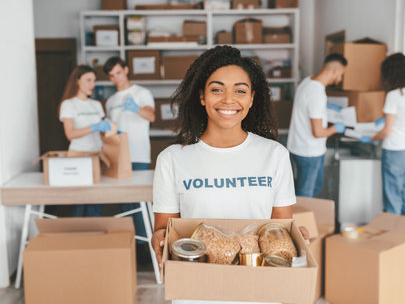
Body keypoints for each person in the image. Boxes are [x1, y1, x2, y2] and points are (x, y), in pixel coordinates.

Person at [151, 46, 309, 304]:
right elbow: (165, 229)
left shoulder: (275, 155)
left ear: (251, 98)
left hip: (259, 292)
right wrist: (159, 238)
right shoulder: (172, 159)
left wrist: (295, 239)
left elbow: (278, 228)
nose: (228, 99)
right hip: (197, 292)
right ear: (202, 96)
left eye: (240, 90)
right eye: (216, 89)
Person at [103, 57, 156, 261]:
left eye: (118, 72)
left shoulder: (142, 93)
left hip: (138, 154)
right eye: (111, 75)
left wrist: (136, 108)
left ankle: (145, 248)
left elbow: (151, 116)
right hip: (118, 157)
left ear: (126, 70)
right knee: (124, 202)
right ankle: (130, 244)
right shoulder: (111, 101)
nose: (115, 78)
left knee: (140, 201)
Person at [360, 53, 405, 215]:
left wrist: (369, 138)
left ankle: (393, 236)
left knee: (392, 196)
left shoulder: (393, 95)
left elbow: (386, 131)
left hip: (395, 151)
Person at [287, 53, 348, 198]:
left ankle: (305, 216)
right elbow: (318, 132)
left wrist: (326, 107)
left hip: (299, 146)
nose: (340, 79)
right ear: (334, 71)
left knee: (314, 187)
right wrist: (336, 128)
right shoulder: (316, 93)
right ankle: (302, 220)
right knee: (307, 193)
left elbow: (309, 107)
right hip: (309, 152)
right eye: (341, 74)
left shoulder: (307, 82)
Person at [59, 65, 111, 217]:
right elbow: (70, 134)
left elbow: (102, 133)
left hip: (96, 155)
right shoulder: (68, 104)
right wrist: (94, 126)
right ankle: (78, 239)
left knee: (95, 202)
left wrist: (109, 130)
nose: (92, 85)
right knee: (79, 203)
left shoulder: (96, 105)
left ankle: (93, 239)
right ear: (77, 81)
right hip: (78, 156)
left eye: (94, 81)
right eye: (88, 80)